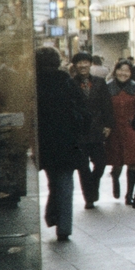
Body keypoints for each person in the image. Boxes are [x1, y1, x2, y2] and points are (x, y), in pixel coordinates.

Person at [35, 48, 86, 241]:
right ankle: (64, 226)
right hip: (67, 140)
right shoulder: (67, 82)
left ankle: (52, 215)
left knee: (53, 180)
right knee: (65, 182)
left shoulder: (35, 83)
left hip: (45, 141)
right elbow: (83, 109)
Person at [69, 52, 114, 209]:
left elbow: (107, 106)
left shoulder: (100, 83)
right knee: (82, 167)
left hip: (97, 130)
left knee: (100, 163)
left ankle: (92, 186)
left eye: (85, 62)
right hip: (79, 131)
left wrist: (108, 125)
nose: (83, 65)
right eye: (79, 63)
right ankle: (89, 197)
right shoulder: (71, 83)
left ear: (90, 64)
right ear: (75, 66)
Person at [105, 60, 135, 206]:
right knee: (117, 162)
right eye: (121, 70)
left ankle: (129, 195)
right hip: (114, 129)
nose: (123, 73)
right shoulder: (108, 88)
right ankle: (115, 179)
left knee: (133, 162)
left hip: (131, 129)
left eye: (127, 71)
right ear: (115, 71)